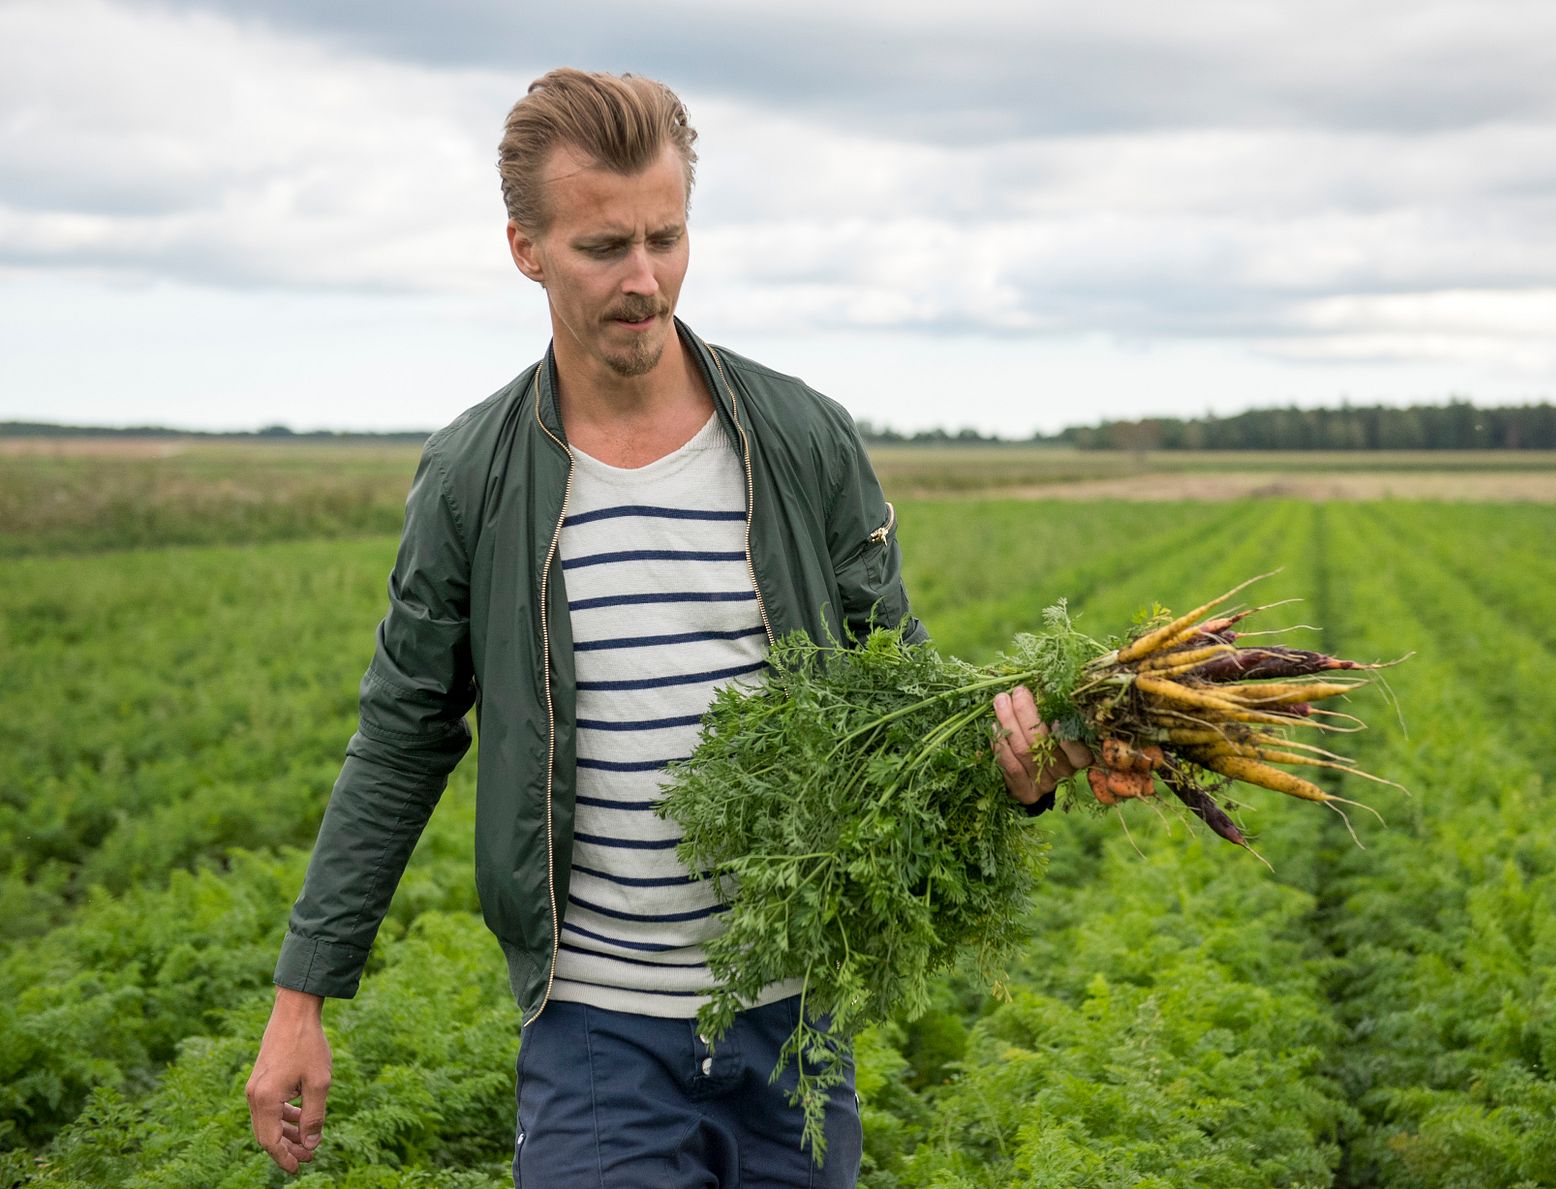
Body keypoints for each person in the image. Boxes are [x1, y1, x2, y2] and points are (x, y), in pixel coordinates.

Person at [245, 68, 1090, 1186]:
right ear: (525, 249)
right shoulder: (473, 477)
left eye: (666, 238)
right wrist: (302, 994)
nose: (644, 280)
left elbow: (904, 693)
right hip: (596, 1033)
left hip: (794, 1022)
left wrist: (1013, 770)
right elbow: (402, 735)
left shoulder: (800, 440)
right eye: (604, 247)